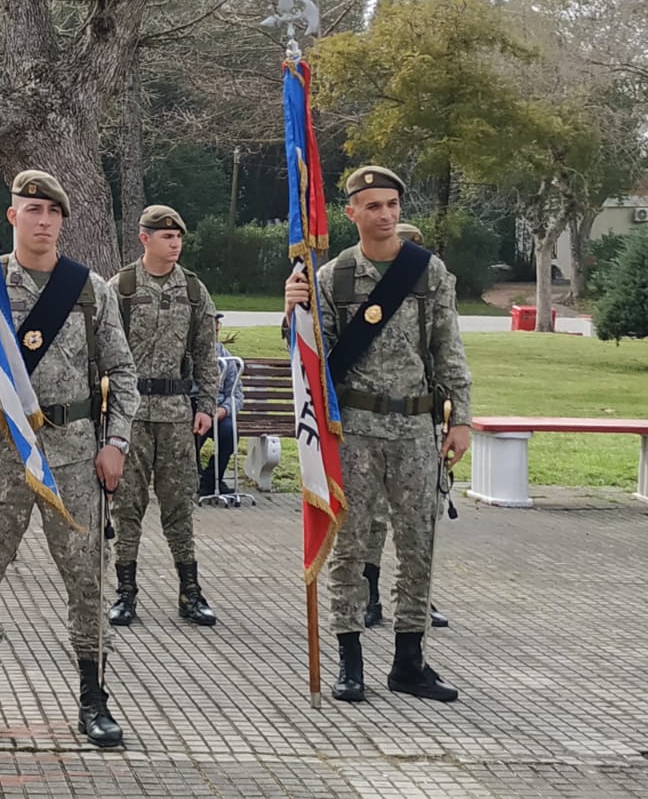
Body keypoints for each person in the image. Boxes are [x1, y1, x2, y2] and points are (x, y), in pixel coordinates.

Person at [0, 169, 138, 747]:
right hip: (0, 451)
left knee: (86, 579)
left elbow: (123, 372)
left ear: (63, 221)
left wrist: (115, 443)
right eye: (32, 210)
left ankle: (94, 699)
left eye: (53, 212)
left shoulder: (89, 289)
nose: (43, 221)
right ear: (11, 216)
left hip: (73, 455)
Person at [283, 165, 471, 704]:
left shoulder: (427, 272)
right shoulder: (333, 277)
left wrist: (460, 419)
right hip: (356, 431)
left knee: (418, 544)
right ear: (352, 213)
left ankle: (410, 661)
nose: (385, 215)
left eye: (392, 205)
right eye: (373, 206)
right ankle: (350, 660)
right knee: (350, 547)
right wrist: (293, 311)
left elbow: (448, 348)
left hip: (414, 428)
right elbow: (312, 356)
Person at [105, 205, 220, 628]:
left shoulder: (193, 290)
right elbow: (103, 352)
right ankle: (125, 591)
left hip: (175, 414)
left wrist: (206, 406)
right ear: (145, 238)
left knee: (179, 505)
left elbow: (207, 354)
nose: (175, 244)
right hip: (131, 413)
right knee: (127, 506)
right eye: (166, 237)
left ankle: (190, 591)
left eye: (178, 237)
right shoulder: (121, 287)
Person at [364, 219, 449, 630]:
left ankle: (417, 599)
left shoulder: (430, 287)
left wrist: (454, 417)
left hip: (418, 420)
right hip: (368, 425)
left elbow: (444, 354)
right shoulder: (357, 285)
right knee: (371, 520)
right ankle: (369, 594)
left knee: (418, 519)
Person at [195, 314, 242, 498]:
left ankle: (211, 480)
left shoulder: (227, 358)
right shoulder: (191, 355)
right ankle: (193, 479)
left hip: (219, 410)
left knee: (229, 432)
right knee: (191, 434)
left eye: (217, 324)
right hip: (195, 409)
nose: (215, 328)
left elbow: (236, 395)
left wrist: (224, 410)